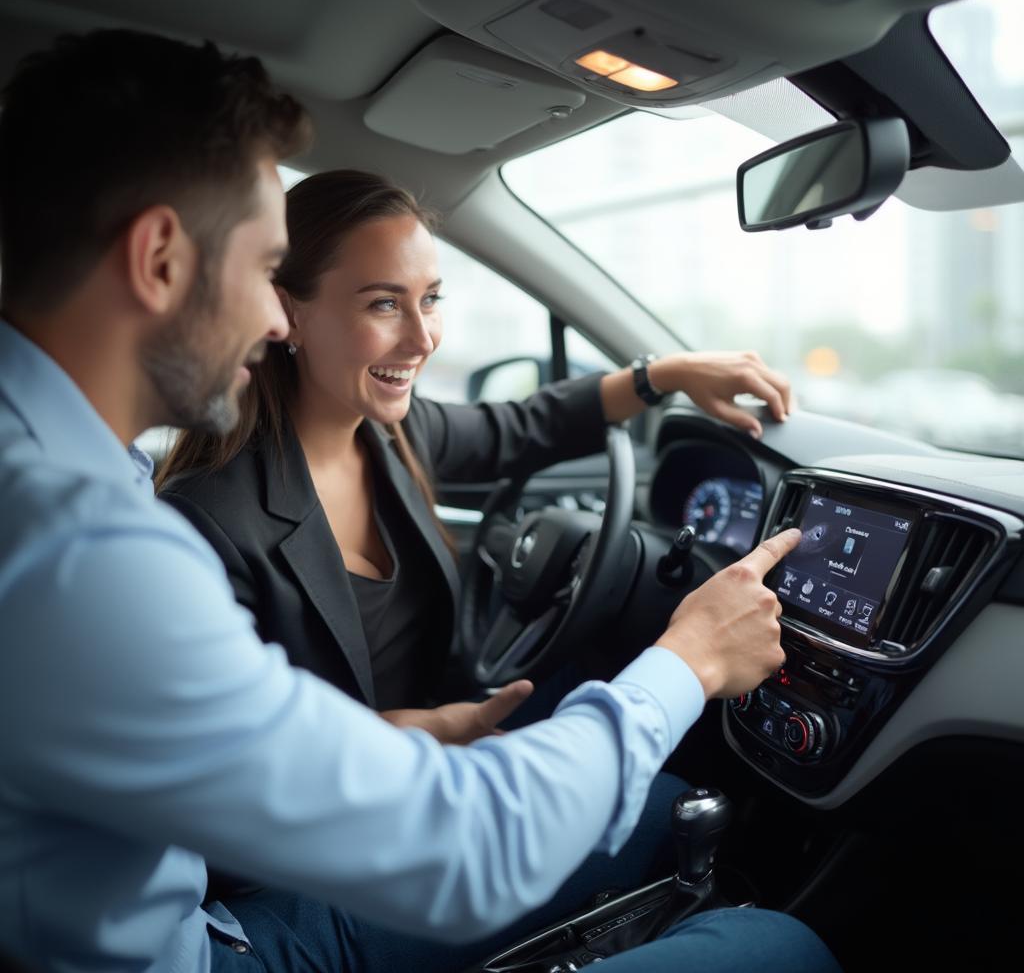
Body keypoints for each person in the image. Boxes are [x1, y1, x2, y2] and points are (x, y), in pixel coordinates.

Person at [0, 28, 839, 973]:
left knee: (652, 809)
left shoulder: (75, 483)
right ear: (159, 257)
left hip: (209, 915)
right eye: (261, 270)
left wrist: (663, 373)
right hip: (228, 936)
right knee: (779, 945)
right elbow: (468, 851)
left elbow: (519, 427)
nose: (271, 317)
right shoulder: (92, 553)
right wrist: (687, 660)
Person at [155, 168, 794, 724]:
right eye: (384, 304)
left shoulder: (395, 433)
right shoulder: (208, 522)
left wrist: (667, 374)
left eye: (430, 300)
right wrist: (425, 737)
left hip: (455, 742)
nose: (423, 338)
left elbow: (525, 425)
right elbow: (245, 756)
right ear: (289, 314)